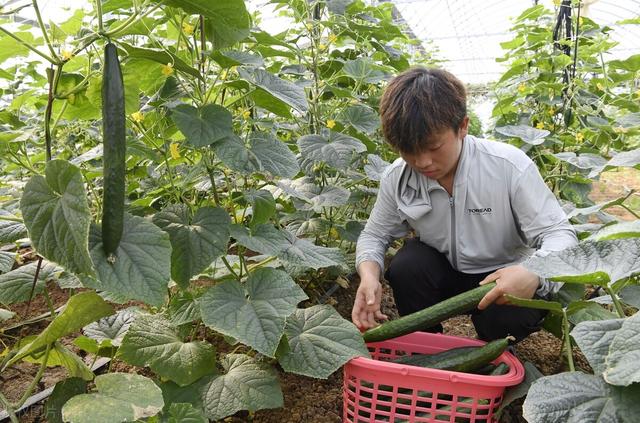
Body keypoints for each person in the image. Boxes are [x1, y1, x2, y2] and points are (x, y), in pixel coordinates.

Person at [352, 67, 578, 342]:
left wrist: (534, 273)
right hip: (445, 273)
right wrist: (368, 275)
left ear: (463, 127)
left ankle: (493, 348)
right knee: (407, 266)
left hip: (504, 277)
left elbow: (560, 235)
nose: (422, 162)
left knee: (504, 322)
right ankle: (427, 346)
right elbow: (374, 235)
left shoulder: (508, 166)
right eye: (409, 151)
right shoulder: (397, 177)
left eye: (433, 147)